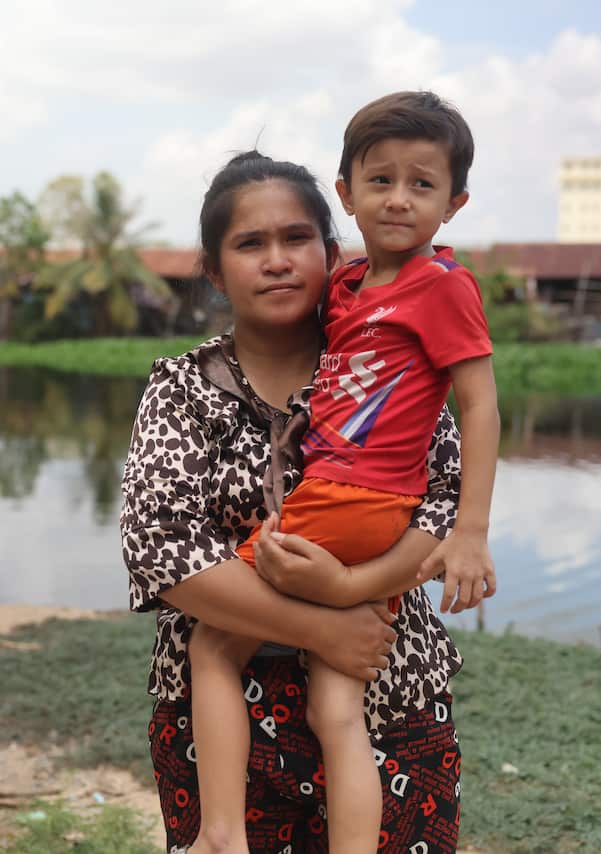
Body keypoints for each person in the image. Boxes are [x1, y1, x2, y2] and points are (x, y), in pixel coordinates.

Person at [121, 148, 494, 854]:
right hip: (222, 725)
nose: (277, 260)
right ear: (213, 267)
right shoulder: (181, 388)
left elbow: (443, 502)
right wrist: (320, 627)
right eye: (249, 244)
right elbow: (160, 549)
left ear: (331, 251)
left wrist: (353, 586)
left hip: (385, 693)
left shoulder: (384, 356)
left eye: (296, 239)